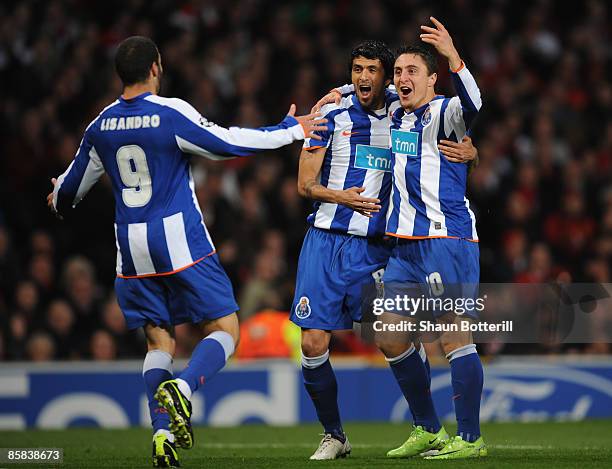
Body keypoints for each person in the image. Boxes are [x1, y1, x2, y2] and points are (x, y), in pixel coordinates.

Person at [47, 35, 326, 468]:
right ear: (156, 67)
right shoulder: (169, 112)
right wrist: (291, 130)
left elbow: (66, 195)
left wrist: (57, 195)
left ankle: (161, 433)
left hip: (132, 249)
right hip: (178, 241)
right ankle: (183, 389)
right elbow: (227, 143)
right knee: (226, 328)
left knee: (159, 341)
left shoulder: (99, 125)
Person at [293, 40, 477, 460]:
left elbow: (446, 139)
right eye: (356, 69)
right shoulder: (330, 114)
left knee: (394, 337)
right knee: (313, 342)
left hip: (378, 247)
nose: (363, 78)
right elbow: (304, 186)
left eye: (373, 70)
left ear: (387, 75)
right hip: (325, 241)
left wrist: (473, 152)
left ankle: (428, 426)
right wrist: (342, 197)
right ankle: (334, 435)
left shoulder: (401, 110)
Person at [376, 18, 487, 459]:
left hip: (446, 238)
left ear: (431, 78)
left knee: (452, 335)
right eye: (399, 72)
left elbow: (475, 104)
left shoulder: (446, 112)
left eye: (412, 72)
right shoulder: (395, 113)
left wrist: (453, 54)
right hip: (404, 244)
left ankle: (472, 439)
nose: (403, 79)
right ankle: (428, 429)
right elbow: (363, 92)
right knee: (388, 334)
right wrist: (334, 96)